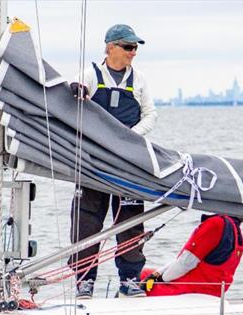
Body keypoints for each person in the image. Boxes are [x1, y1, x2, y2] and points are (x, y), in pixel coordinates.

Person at [69, 24, 158, 299]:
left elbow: (151, 114)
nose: (134, 53)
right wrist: (75, 91)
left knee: (131, 220)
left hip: (128, 161)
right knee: (87, 222)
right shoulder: (90, 75)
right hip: (94, 162)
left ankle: (129, 280)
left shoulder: (139, 79)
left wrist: (130, 137)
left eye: (136, 48)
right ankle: (85, 281)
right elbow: (74, 95)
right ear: (111, 48)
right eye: (129, 47)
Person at [141, 214, 243, 298]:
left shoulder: (216, 224)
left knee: (133, 281)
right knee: (143, 273)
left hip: (192, 291)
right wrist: (156, 274)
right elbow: (183, 259)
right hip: (210, 291)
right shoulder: (234, 228)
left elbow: (186, 263)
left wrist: (161, 280)